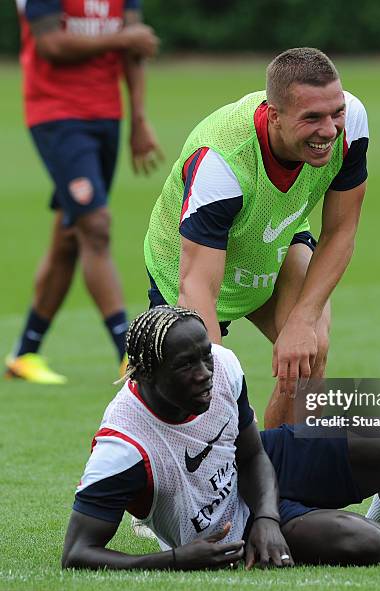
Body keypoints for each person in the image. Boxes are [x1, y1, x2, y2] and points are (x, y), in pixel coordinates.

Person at [62, 306, 380, 570]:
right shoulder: (123, 448)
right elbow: (78, 553)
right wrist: (174, 560)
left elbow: (251, 453)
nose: (205, 375)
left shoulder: (224, 368)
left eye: (205, 358)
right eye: (186, 366)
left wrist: (267, 516)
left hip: (269, 464)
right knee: (376, 549)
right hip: (230, 529)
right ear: (149, 374)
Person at [144, 47, 368, 428]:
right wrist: (219, 386)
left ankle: (285, 478)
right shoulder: (221, 162)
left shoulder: (351, 122)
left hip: (276, 238)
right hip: (184, 265)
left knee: (310, 352)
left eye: (335, 113)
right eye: (312, 118)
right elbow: (197, 283)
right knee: (190, 397)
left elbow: (341, 232)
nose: (329, 130)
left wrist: (301, 320)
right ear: (275, 116)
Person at [6, 0, 163, 384]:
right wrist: (123, 36)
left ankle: (24, 353)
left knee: (69, 236)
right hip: (57, 117)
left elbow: (135, 49)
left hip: (107, 116)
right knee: (95, 225)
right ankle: (129, 354)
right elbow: (50, 45)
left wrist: (139, 118)